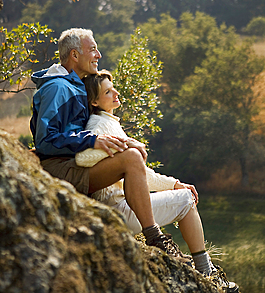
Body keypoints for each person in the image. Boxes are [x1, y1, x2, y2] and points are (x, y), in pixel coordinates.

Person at [30, 28, 238, 292]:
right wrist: (92, 141)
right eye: (92, 49)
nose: (99, 54)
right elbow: (46, 138)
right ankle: (155, 238)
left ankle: (161, 241)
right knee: (131, 159)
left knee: (131, 155)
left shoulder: (72, 86)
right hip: (62, 169)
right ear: (74, 54)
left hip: (72, 167)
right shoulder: (58, 88)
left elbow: (71, 132)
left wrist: (109, 142)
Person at [75, 70, 239, 293]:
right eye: (107, 91)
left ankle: (204, 268)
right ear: (94, 101)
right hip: (117, 211)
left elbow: (142, 174)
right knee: (186, 199)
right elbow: (82, 158)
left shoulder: (109, 122)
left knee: (183, 194)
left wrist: (174, 183)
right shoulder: (97, 125)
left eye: (113, 87)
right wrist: (126, 146)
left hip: (125, 207)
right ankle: (207, 273)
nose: (115, 92)